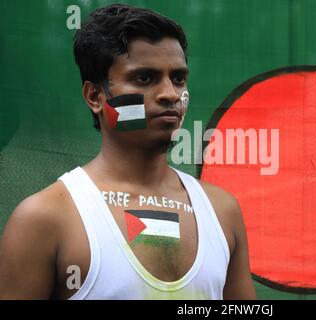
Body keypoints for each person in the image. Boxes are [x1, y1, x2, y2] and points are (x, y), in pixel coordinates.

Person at [0, 4, 256, 300]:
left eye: (178, 78)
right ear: (94, 96)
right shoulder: (46, 218)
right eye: (144, 78)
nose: (170, 94)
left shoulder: (222, 210)